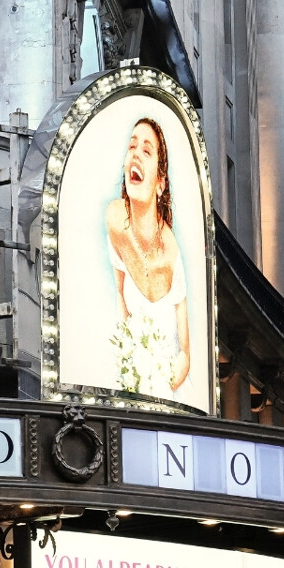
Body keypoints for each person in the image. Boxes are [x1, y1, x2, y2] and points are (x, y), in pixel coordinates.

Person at [102, 117, 191, 398]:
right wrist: (130, 369)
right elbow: (120, 297)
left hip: (172, 389)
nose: (136, 154)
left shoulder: (171, 250)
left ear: (160, 183)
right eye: (132, 146)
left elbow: (185, 353)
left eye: (147, 150)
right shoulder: (115, 217)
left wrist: (160, 385)